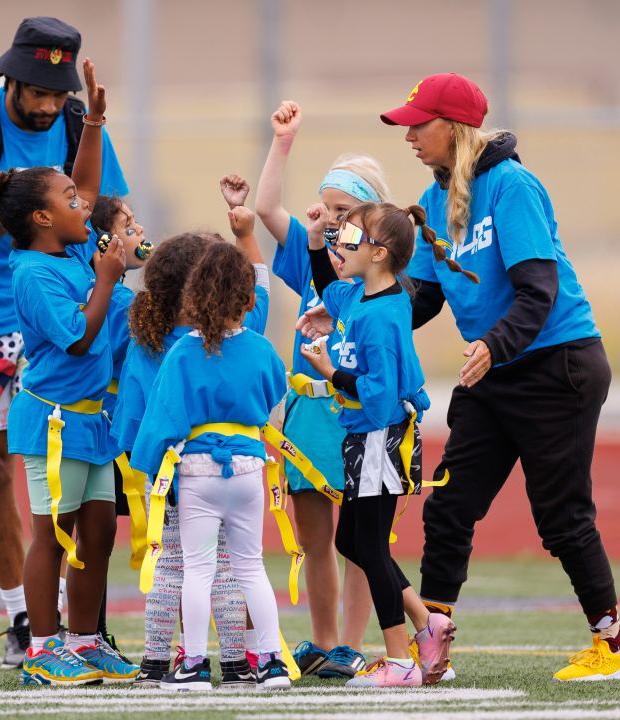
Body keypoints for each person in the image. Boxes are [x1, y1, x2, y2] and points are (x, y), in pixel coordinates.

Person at [380, 72, 620, 682]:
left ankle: (613, 650)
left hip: (558, 365)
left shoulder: (512, 185)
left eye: (419, 124)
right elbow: (419, 299)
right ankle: (433, 645)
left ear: (454, 128)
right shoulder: (434, 200)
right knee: (449, 508)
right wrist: (355, 311)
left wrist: (493, 346)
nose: (410, 135)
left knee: (561, 516)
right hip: (495, 369)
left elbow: (538, 292)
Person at [0, 16, 127, 668]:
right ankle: (22, 617)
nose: (47, 105)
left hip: (62, 309)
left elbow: (101, 205)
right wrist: (13, 204)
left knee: (78, 481)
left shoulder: (75, 121)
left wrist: (128, 242)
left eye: (56, 92)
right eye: (37, 91)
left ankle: (78, 626)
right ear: (9, 78)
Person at [248, 99, 385, 679]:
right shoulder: (309, 258)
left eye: (345, 210)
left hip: (354, 411)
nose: (332, 219)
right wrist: (283, 143)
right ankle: (325, 641)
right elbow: (265, 207)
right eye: (327, 207)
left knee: (358, 536)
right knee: (313, 536)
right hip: (306, 410)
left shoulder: (380, 272)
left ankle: (352, 642)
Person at [296, 202, 458, 688]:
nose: (340, 245)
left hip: (380, 437)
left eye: (350, 237)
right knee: (352, 541)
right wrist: (312, 241)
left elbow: (380, 394)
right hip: (362, 439)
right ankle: (427, 623)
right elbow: (330, 289)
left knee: (366, 542)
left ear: (380, 253)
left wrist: (331, 373)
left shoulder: (382, 317)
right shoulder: (359, 296)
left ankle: (399, 660)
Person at [112, 213, 270, 689]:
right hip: (236, 469)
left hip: (172, 475)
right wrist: (246, 234)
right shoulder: (241, 334)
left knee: (173, 567)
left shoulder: (149, 342)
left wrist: (143, 469)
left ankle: (157, 663)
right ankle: (239, 665)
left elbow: (136, 417)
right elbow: (258, 295)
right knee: (227, 569)